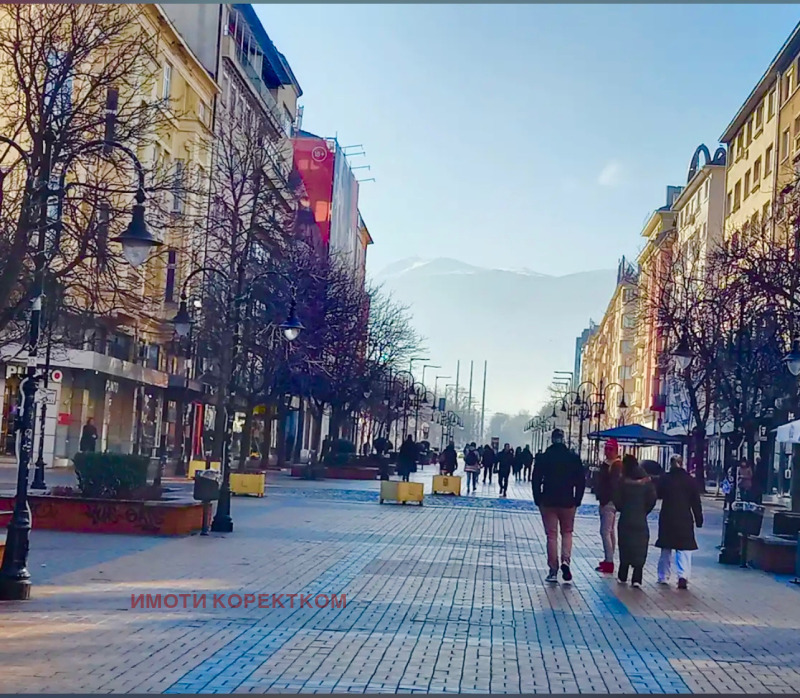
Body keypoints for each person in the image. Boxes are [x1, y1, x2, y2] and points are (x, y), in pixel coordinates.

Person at [533, 428, 585, 584]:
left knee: (551, 535)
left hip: (548, 500)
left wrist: (538, 498)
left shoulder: (544, 457)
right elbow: (580, 480)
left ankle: (553, 570)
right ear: (563, 439)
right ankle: (566, 561)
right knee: (567, 532)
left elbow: (536, 479)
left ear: (552, 439)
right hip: (568, 501)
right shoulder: (573, 458)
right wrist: (578, 499)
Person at [656, 454, 703, 589]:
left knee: (666, 548)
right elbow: (696, 501)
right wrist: (699, 519)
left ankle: (663, 576)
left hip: (667, 516)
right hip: (684, 517)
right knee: (684, 549)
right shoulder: (690, 480)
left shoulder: (665, 478)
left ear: (671, 464)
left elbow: (658, 494)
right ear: (682, 463)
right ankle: (683, 576)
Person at [612, 454, 657, 588]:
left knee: (625, 545)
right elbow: (652, 499)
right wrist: (643, 511)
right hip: (640, 519)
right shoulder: (647, 481)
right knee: (640, 546)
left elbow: (616, 498)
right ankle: (637, 577)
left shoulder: (622, 481)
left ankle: (623, 574)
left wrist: (623, 508)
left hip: (626, 518)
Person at [595, 439, 622, 574]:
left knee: (605, 531)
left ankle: (609, 561)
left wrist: (606, 499)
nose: (607, 452)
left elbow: (613, 485)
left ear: (616, 451)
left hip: (609, 502)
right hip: (606, 501)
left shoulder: (616, 466)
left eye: (610, 449)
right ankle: (608, 558)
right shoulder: (607, 464)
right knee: (610, 531)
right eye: (606, 449)